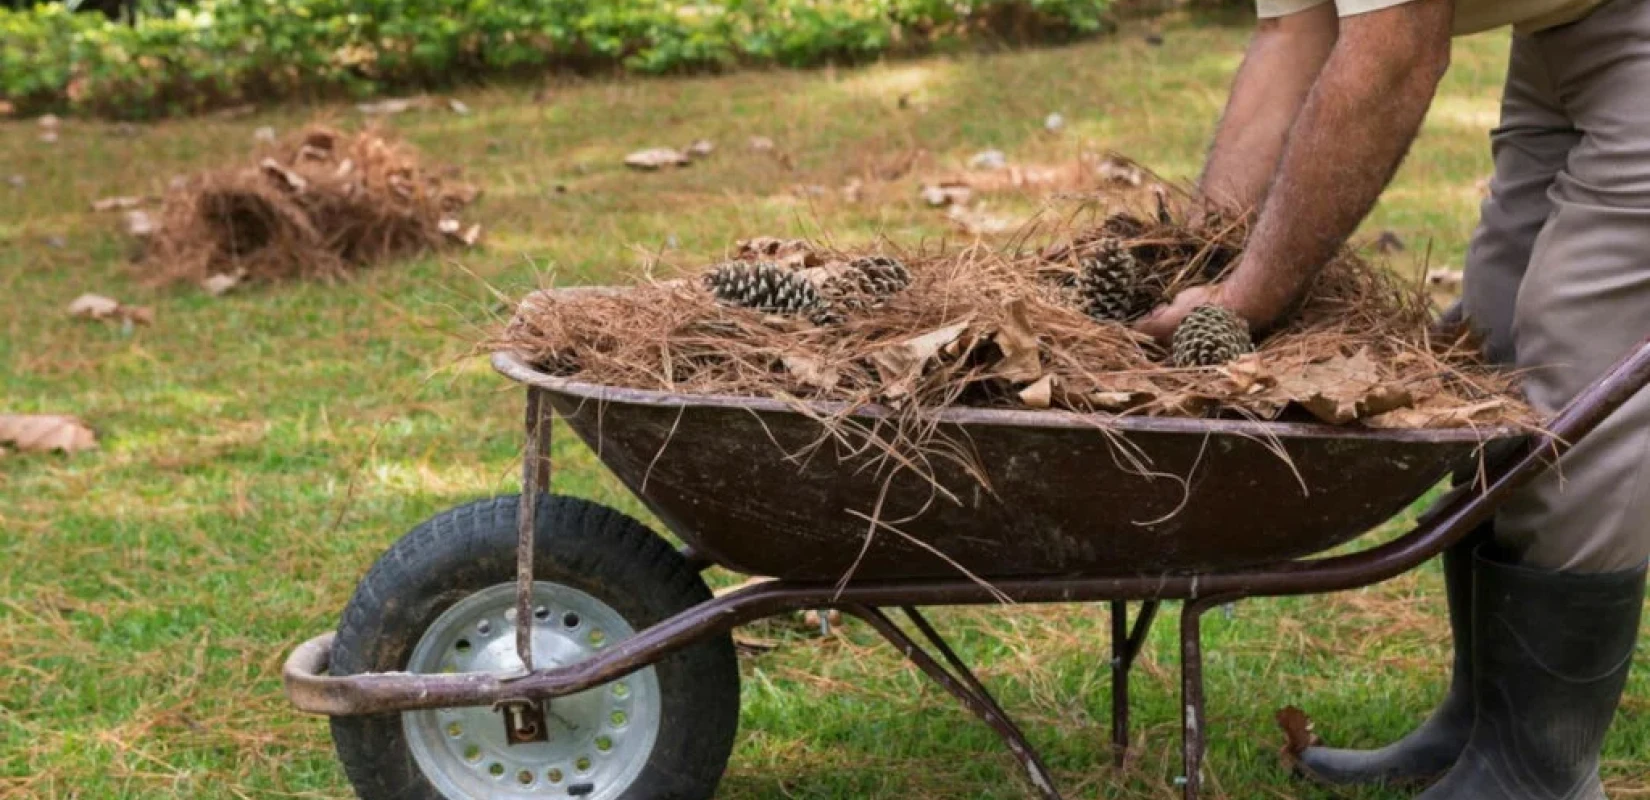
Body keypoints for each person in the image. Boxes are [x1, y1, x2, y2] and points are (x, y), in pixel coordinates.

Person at [1134, 0, 1650, 796]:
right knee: (1495, 325)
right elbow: (1292, 32)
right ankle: (1477, 725)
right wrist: (1201, 253)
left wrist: (1246, 298)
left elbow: (1393, 55)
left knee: (1578, 357)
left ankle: (1536, 771)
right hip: (1566, 18)